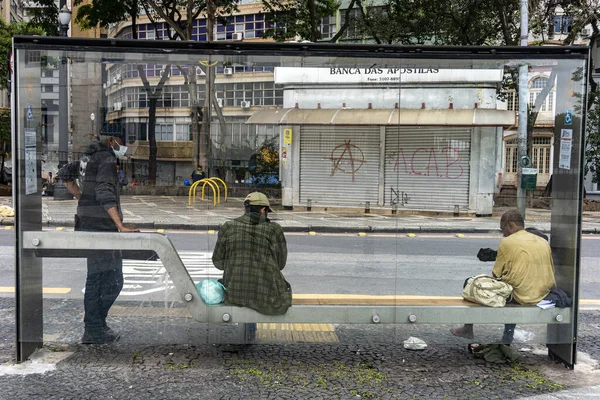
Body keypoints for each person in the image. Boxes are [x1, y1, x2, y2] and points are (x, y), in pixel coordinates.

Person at [59, 135, 139, 345]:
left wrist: (82, 197)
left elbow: (65, 173)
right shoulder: (106, 158)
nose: (123, 146)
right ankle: (94, 328)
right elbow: (104, 191)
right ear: (112, 140)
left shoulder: (88, 157)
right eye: (121, 141)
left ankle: (96, 327)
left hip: (86, 222)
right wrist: (120, 225)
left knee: (97, 278)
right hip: (101, 226)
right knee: (112, 281)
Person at [450, 210, 556, 344]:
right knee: (514, 286)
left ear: (511, 226)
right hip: (543, 294)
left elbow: (496, 275)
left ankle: (467, 328)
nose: (503, 234)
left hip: (521, 297)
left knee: (472, 283)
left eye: (503, 230)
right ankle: (507, 337)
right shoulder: (542, 241)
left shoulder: (507, 242)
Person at [212, 191, 292, 318]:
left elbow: (218, 263)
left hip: (234, 294)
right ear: (263, 210)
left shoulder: (228, 227)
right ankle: (250, 334)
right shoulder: (274, 229)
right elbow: (280, 264)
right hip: (266, 296)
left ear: (245, 209)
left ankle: (248, 334)